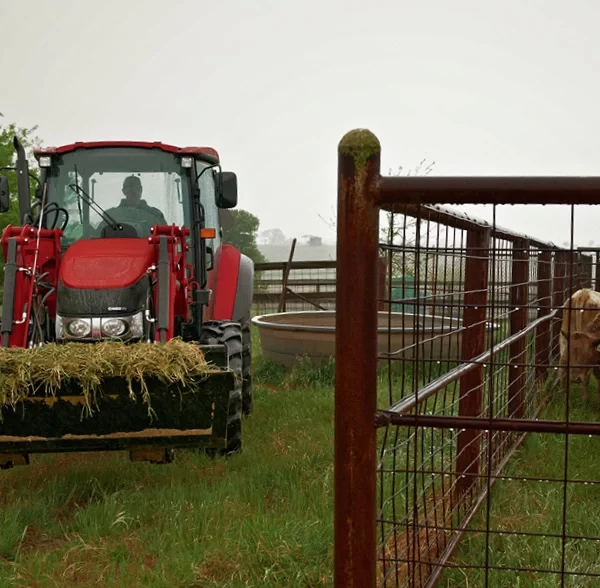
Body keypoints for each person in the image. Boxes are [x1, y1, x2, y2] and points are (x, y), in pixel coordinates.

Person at [100, 175, 168, 235]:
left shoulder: (156, 215)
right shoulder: (110, 216)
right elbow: (96, 236)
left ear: (141, 190)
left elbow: (166, 238)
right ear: (124, 191)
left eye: (137, 188)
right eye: (130, 188)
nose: (134, 191)